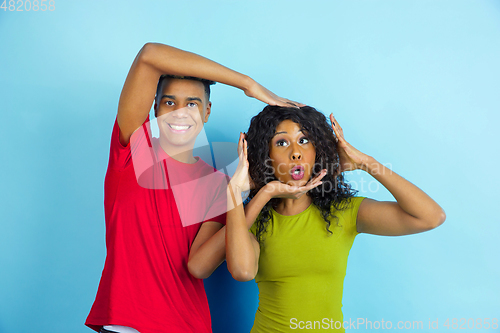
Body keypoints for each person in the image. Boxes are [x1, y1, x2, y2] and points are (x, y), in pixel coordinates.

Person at [85, 43, 301, 333]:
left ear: (207, 111)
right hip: (126, 324)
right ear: (155, 107)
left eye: (192, 104)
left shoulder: (218, 185)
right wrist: (247, 85)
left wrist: (246, 195)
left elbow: (199, 266)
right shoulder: (132, 151)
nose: (180, 112)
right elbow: (150, 55)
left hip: (188, 325)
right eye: (169, 102)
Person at [225, 105, 446, 332]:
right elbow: (242, 271)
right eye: (281, 142)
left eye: (304, 140)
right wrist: (261, 192)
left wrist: (365, 163)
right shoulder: (254, 218)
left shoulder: (343, 211)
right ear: (266, 156)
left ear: (317, 150)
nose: (295, 152)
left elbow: (431, 216)